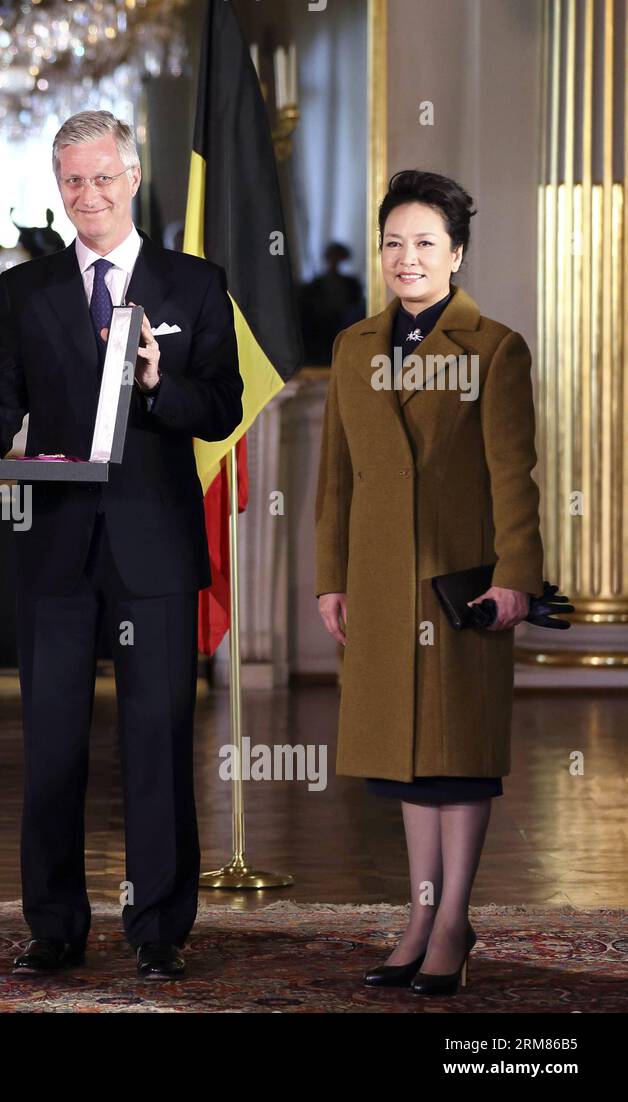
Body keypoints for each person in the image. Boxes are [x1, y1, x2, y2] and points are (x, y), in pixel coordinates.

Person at [0, 110, 242, 979]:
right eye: (73, 181)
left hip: (153, 547)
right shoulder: (28, 288)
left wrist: (162, 384)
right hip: (53, 546)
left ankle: (159, 930)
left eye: (104, 178)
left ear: (132, 177)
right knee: (52, 742)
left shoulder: (193, 283)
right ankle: (54, 926)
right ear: (59, 187)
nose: (89, 195)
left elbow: (221, 407)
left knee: (156, 739)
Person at [314, 169, 544, 996]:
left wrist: (518, 577)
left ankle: (453, 922)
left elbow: (514, 474)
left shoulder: (496, 349)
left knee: (458, 755)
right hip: (377, 582)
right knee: (405, 761)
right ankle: (420, 912)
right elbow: (335, 479)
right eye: (392, 243)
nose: (405, 258)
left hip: (461, 580)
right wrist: (329, 580)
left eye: (423, 243)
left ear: (457, 254)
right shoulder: (352, 347)